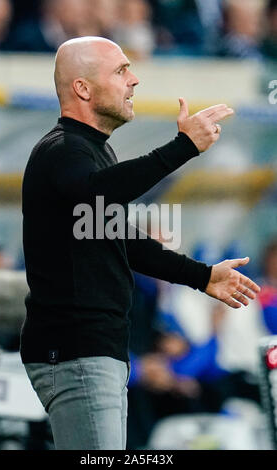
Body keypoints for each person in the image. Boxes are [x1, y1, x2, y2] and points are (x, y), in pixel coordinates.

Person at [20, 36, 261, 450]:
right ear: (83, 88)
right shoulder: (63, 151)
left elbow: (123, 240)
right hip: (78, 352)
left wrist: (202, 276)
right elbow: (101, 190)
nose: (134, 80)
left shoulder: (94, 153)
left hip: (94, 352)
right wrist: (183, 148)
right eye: (120, 70)